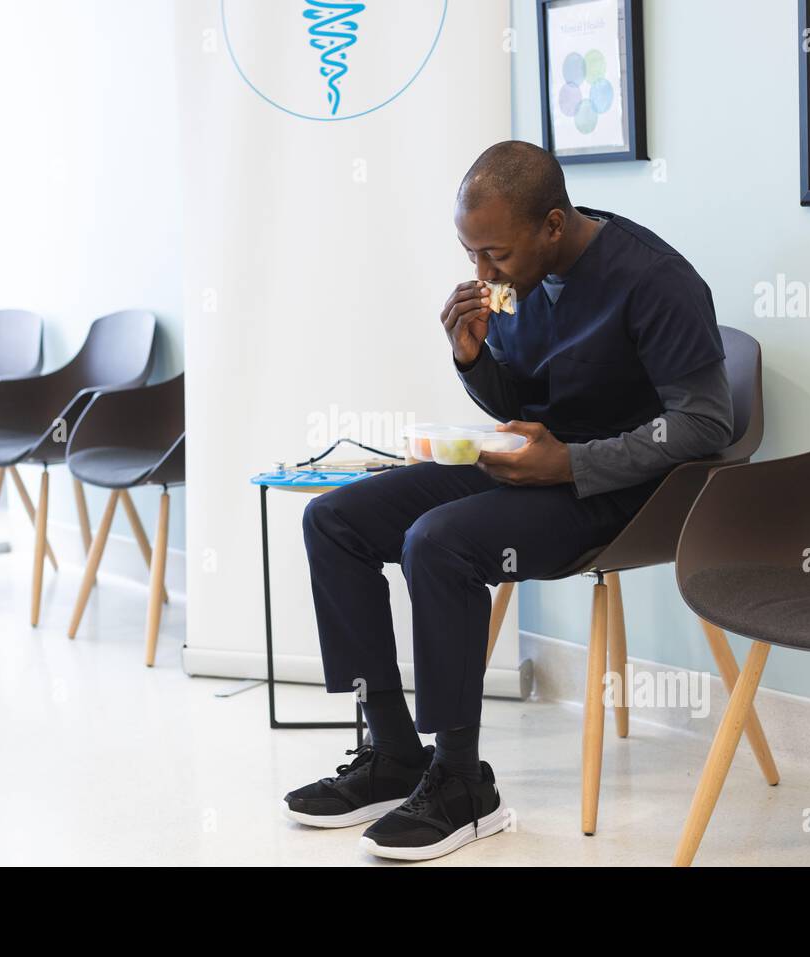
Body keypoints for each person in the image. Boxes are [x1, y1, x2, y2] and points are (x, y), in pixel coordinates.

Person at [283, 140, 734, 861]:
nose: (482, 275)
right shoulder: (522, 278)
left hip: (626, 492)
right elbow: (521, 398)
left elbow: (710, 423)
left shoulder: (655, 280)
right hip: (540, 462)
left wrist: (575, 462)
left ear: (552, 225)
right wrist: (472, 358)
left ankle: (462, 783)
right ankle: (394, 751)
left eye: (493, 255)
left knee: (437, 541)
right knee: (334, 519)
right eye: (470, 257)